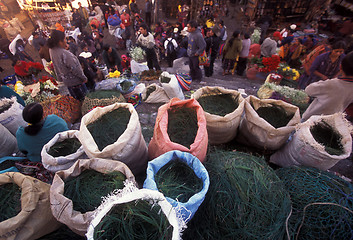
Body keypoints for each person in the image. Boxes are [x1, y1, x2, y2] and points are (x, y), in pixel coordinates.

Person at [302, 52, 353, 121]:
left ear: (340, 66)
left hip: (310, 120)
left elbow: (308, 90)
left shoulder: (332, 84)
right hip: (330, 123)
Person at [48, 30, 88, 101]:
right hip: (76, 82)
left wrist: (59, 78)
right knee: (85, 100)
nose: (66, 41)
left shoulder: (52, 50)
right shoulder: (65, 54)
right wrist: (83, 78)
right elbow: (75, 69)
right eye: (64, 39)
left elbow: (55, 65)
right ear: (60, 42)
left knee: (76, 101)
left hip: (67, 83)